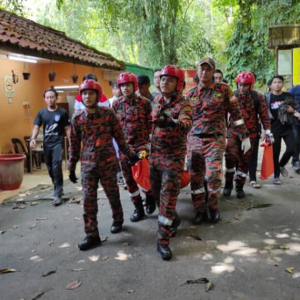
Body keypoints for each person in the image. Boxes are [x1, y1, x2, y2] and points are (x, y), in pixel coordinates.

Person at [68, 80, 138, 251]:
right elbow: (74, 144)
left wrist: (130, 155)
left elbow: (120, 138)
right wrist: (71, 165)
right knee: (88, 201)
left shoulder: (108, 114)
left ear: (98, 96)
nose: (87, 96)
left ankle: (118, 219)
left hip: (108, 163)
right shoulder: (77, 118)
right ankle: (92, 235)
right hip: (88, 166)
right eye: (84, 93)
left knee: (112, 194)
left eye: (91, 93)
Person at [187, 58, 249, 224]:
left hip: (215, 139)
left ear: (213, 71)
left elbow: (236, 114)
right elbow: (184, 119)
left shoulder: (224, 89)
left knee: (213, 174)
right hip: (194, 140)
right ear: (197, 71)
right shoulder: (191, 94)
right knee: (195, 177)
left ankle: (213, 207)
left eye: (208, 69)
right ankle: (200, 209)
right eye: (202, 69)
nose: (205, 72)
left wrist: (244, 135)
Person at [150, 65, 192, 260]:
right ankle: (173, 220)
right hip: (155, 156)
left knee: (167, 198)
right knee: (157, 193)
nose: (165, 82)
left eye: (170, 80)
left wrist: (171, 122)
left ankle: (163, 241)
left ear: (178, 84)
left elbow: (186, 124)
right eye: (163, 79)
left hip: (173, 158)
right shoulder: (156, 100)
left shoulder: (184, 104)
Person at [112, 72, 156, 222]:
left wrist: (150, 145)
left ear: (134, 86)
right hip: (125, 148)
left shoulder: (144, 103)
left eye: (128, 85)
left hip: (142, 147)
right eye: (122, 85)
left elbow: (151, 124)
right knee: (129, 180)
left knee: (144, 177)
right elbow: (114, 128)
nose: (125, 88)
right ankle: (138, 209)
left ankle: (150, 197)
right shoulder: (116, 104)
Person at [224, 71, 271, 198]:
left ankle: (239, 187)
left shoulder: (257, 97)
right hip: (233, 132)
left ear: (250, 86)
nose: (241, 87)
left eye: (245, 85)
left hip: (251, 134)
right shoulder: (231, 96)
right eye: (239, 84)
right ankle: (228, 183)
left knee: (245, 162)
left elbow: (264, 114)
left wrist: (268, 131)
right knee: (231, 156)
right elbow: (222, 113)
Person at [30, 88, 70, 206]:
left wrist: (71, 143)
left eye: (52, 97)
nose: (50, 99)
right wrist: (33, 139)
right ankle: (58, 186)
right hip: (47, 144)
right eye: (47, 97)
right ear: (45, 99)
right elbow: (37, 127)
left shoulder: (62, 112)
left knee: (57, 165)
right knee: (50, 168)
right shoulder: (41, 113)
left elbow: (67, 128)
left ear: (56, 98)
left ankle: (57, 194)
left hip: (58, 143)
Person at [265, 75, 297, 185]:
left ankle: (281, 164)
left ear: (283, 84)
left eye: (279, 82)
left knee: (292, 149)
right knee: (275, 152)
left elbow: (294, 108)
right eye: (275, 82)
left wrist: (292, 110)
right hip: (274, 129)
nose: (277, 84)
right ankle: (276, 176)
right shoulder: (267, 98)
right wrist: (265, 130)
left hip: (287, 127)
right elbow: (264, 114)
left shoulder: (288, 96)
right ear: (271, 85)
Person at [288, 84, 300, 173]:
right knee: (296, 141)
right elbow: (287, 103)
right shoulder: (294, 90)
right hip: (296, 121)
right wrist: (295, 112)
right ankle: (295, 161)